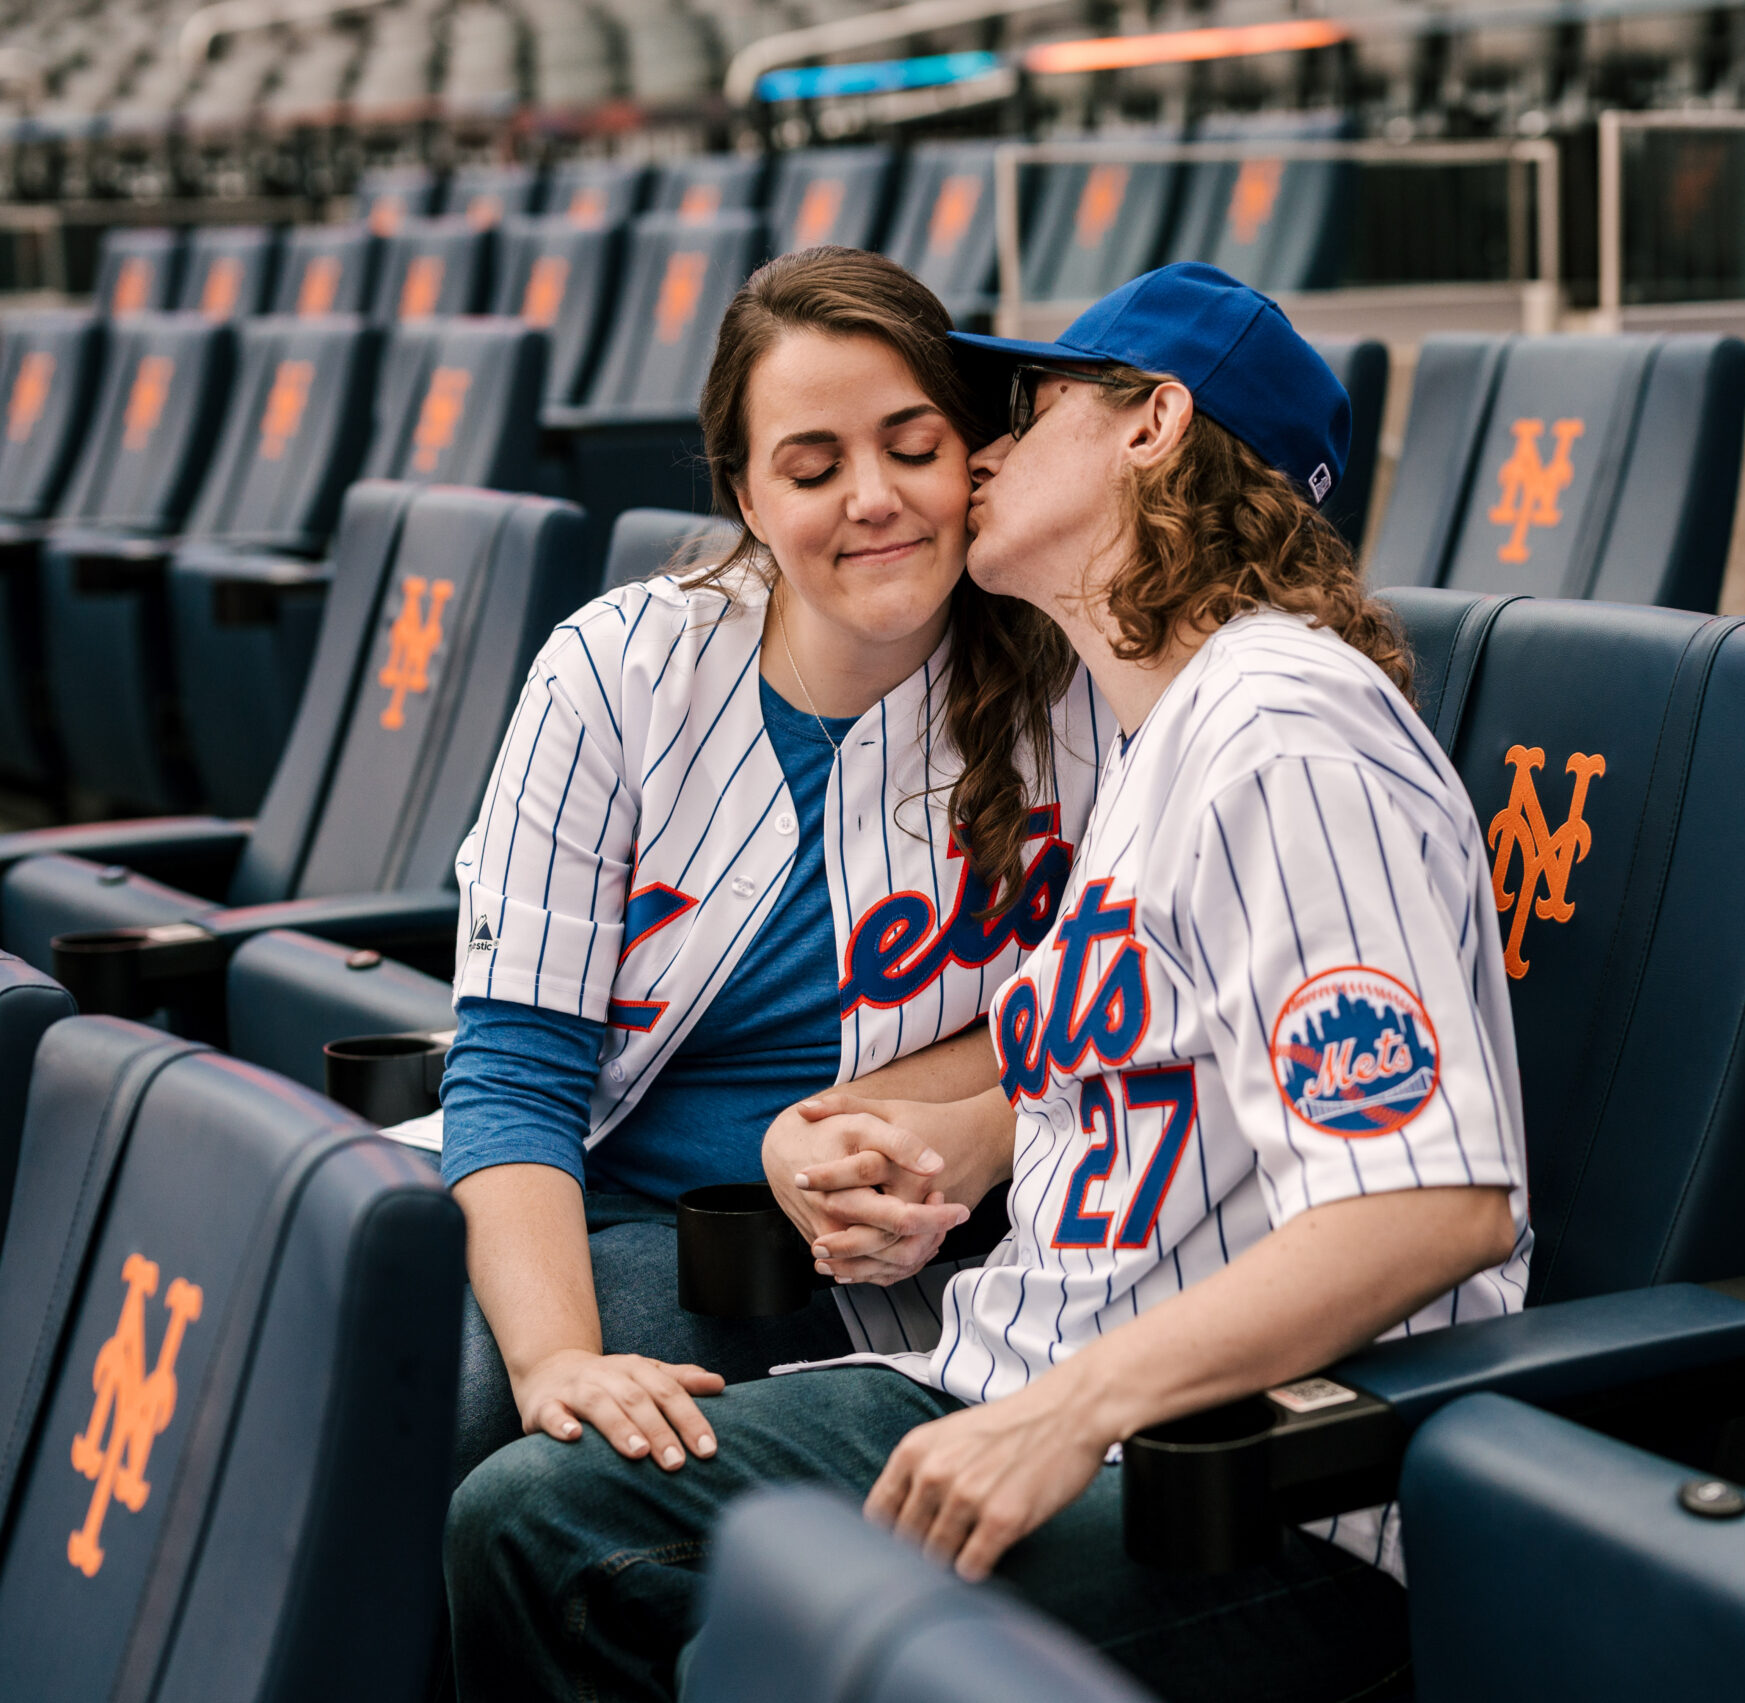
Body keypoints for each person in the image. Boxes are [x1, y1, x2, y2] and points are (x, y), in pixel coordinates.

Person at [445, 263, 1533, 1703]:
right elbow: (1055, 1083)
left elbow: (1434, 1196)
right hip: (1017, 1369)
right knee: (535, 1511)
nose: (989, 446)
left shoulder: (1290, 729)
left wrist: (1069, 1411)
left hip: (1252, 1468)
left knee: (670, 1589)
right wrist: (835, 1132)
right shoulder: (1167, 731)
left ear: (1151, 427)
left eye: (1033, 408)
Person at [438, 246, 1104, 1482]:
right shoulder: (617, 669)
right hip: (589, 1194)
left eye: (913, 448)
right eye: (812, 466)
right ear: (748, 497)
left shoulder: (1080, 684)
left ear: (978, 458)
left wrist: (953, 1118)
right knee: (410, 1364)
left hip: (873, 1265)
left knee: (480, 1434)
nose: (874, 497)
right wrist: (557, 1362)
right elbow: (514, 1068)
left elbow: (1137, 999)